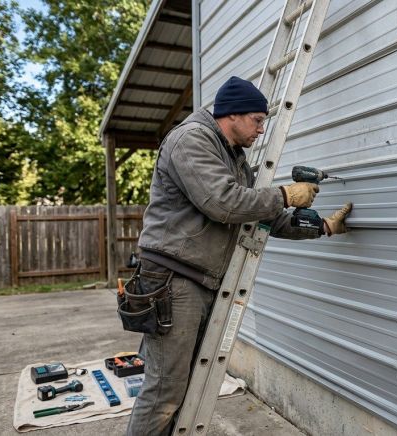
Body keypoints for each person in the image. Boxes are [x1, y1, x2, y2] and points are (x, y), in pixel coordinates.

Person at [125, 76, 352, 435]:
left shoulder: (232, 155)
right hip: (172, 281)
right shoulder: (191, 140)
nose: (262, 130)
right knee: (164, 391)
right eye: (258, 120)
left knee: (185, 385)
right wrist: (285, 194)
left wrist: (323, 226)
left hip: (196, 280)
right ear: (232, 115)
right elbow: (222, 203)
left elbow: (261, 216)